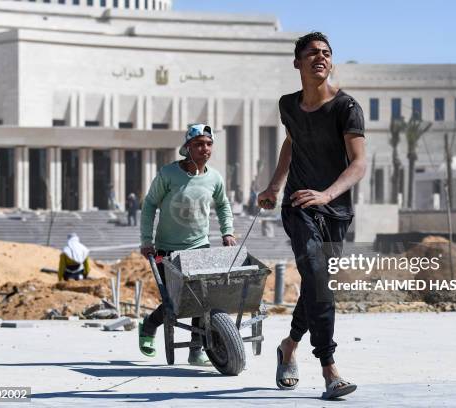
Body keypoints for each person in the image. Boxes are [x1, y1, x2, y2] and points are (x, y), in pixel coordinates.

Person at [258, 32, 366, 399]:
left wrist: (328, 194)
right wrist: (274, 186)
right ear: (297, 63)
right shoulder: (288, 105)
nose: (320, 57)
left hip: (336, 211)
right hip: (299, 206)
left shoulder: (346, 107)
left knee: (317, 285)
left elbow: (360, 163)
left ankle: (288, 346)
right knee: (318, 278)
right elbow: (292, 141)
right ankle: (329, 368)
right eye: (312, 53)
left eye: (326, 53)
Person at [138, 123, 237, 366]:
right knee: (174, 301)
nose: (205, 148)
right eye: (199, 144)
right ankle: (149, 325)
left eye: (209, 144)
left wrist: (228, 232)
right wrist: (146, 241)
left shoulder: (214, 177)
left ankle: (195, 350)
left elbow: (223, 205)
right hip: (165, 250)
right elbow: (150, 204)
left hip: (199, 247)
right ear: (187, 148)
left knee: (202, 300)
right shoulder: (168, 174)